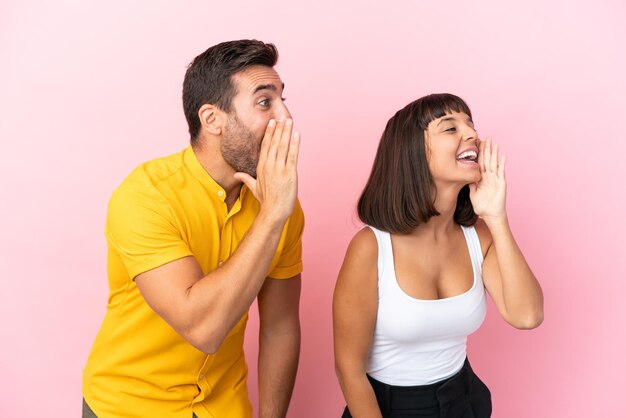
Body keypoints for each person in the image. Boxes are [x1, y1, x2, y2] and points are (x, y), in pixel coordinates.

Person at [82, 39, 303, 418]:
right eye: (265, 102)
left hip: (224, 407)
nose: (286, 117)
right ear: (212, 119)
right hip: (127, 408)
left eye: (283, 99)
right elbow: (202, 328)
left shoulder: (282, 206)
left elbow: (280, 327)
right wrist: (272, 217)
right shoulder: (146, 195)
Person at [333, 93, 543, 417]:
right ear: (414, 152)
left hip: (464, 401)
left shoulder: (479, 235)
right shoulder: (371, 247)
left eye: (470, 124)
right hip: (387, 408)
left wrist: (497, 217)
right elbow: (349, 369)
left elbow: (527, 315)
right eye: (451, 128)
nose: (471, 133)